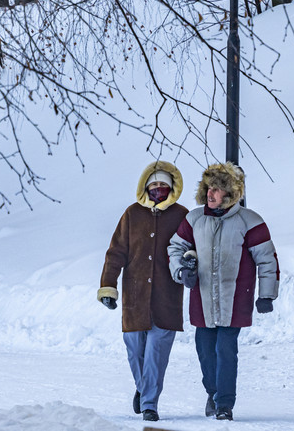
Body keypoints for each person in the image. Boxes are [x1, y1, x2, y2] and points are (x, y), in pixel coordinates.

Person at [168, 162, 279, 421]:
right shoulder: (194, 219)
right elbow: (175, 248)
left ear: (230, 193)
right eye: (208, 187)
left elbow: (267, 259)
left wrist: (266, 294)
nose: (210, 193)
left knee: (226, 350)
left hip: (235, 299)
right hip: (202, 299)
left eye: (217, 189)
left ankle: (224, 405)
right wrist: (182, 270)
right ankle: (213, 392)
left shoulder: (250, 221)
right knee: (205, 350)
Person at [97, 161, 188, 422]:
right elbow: (116, 252)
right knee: (135, 351)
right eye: (154, 184)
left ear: (172, 188)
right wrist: (108, 286)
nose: (158, 188)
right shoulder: (132, 214)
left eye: (163, 185)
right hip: (134, 297)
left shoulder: (182, 215)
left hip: (166, 297)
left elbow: (190, 247)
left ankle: (150, 404)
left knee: (156, 355)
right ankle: (143, 387)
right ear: (145, 186)